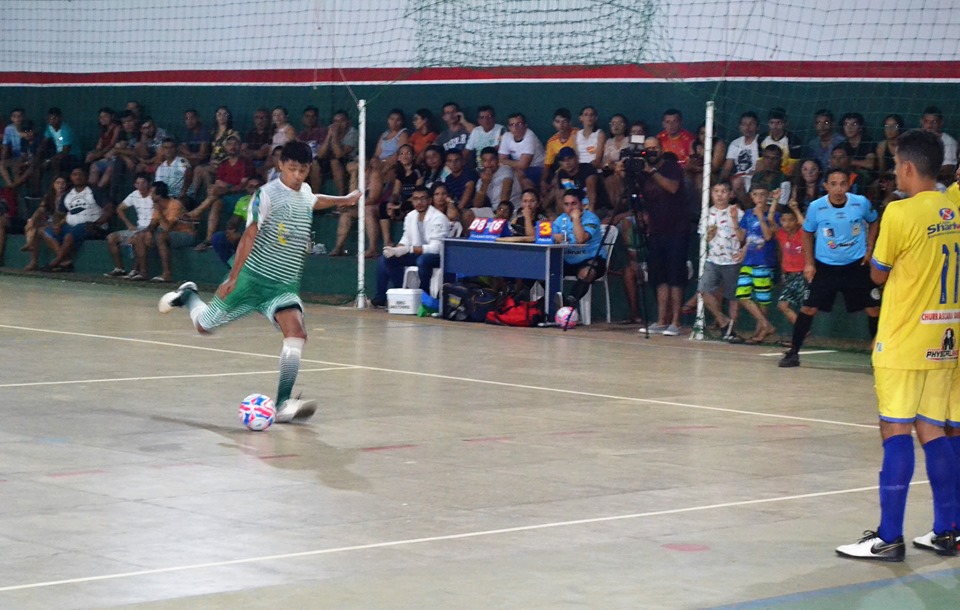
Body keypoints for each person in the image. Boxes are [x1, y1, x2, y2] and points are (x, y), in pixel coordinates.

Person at [158, 141, 361, 423]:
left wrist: (345, 199)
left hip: (282, 286)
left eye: (303, 170)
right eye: (292, 169)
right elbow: (249, 235)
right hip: (250, 279)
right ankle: (189, 295)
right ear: (280, 165)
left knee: (297, 333)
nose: (298, 176)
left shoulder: (304, 191)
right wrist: (233, 276)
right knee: (204, 325)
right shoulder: (266, 195)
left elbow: (314, 200)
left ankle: (282, 404)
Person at [835, 128, 960, 561]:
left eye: (895, 165)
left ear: (907, 167)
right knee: (933, 429)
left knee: (895, 430)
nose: (894, 173)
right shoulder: (952, 207)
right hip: (946, 337)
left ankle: (889, 537)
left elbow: (878, 274)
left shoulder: (900, 213)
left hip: (904, 339)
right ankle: (946, 530)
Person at [778, 168, 880, 367]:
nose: (838, 188)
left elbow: (874, 221)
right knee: (808, 308)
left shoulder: (860, 203)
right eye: (833, 184)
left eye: (843, 183)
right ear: (826, 186)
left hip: (856, 265)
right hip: (825, 266)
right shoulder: (817, 207)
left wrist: (869, 248)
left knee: (873, 309)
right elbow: (807, 233)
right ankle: (794, 352)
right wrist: (809, 263)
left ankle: (879, 353)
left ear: (848, 185)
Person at [621, 136, 688, 336]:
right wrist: (622, 173)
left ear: (660, 149)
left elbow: (673, 188)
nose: (651, 152)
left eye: (654, 148)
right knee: (659, 277)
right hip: (655, 231)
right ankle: (661, 320)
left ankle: (675, 322)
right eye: (647, 149)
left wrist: (651, 171)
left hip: (677, 230)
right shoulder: (640, 172)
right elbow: (632, 194)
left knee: (675, 277)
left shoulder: (671, 167)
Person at [371, 185, 450, 307]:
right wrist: (396, 249)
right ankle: (398, 294)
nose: (419, 202)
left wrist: (407, 249)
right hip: (417, 253)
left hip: (438, 257)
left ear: (429, 200)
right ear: (411, 201)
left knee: (423, 260)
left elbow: (436, 248)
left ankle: (423, 296)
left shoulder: (439, 218)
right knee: (386, 258)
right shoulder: (410, 216)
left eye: (423, 199)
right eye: (416, 199)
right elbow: (406, 238)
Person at [40, 167, 113, 271]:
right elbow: (59, 214)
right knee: (44, 231)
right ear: (71, 177)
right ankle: (65, 261)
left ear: (86, 177)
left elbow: (109, 209)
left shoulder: (94, 190)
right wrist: (57, 225)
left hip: (92, 227)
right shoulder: (68, 194)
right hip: (71, 227)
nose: (78, 177)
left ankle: (55, 262)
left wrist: (97, 223)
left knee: (69, 235)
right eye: (75, 175)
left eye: (80, 174)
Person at [699, 181, 745, 341]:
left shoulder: (737, 212)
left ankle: (731, 330)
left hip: (732, 260)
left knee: (733, 297)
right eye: (716, 191)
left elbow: (743, 238)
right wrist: (710, 235)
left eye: (724, 191)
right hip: (713, 259)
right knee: (704, 290)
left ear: (730, 194)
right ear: (711, 194)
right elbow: (704, 238)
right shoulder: (707, 213)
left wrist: (734, 221)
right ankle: (722, 321)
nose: (720, 195)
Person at [736, 182, 779, 344]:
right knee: (742, 294)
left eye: (763, 194)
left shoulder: (773, 216)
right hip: (748, 260)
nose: (759, 198)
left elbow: (768, 236)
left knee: (762, 298)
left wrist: (761, 217)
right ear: (751, 196)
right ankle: (765, 324)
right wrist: (734, 221)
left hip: (764, 261)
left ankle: (759, 332)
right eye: (756, 194)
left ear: (768, 196)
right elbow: (743, 238)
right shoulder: (747, 214)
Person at [553, 189, 608, 314]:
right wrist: (553, 236)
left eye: (574, 203)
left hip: (591, 259)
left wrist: (576, 218)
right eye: (566, 204)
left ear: (582, 204)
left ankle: (568, 303)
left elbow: (580, 239)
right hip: (568, 259)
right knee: (545, 269)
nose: (570, 208)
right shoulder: (560, 220)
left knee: (586, 273)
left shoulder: (591, 218)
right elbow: (549, 236)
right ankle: (554, 300)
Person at [128, 181, 195, 282]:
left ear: (158, 195)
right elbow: (152, 225)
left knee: (161, 236)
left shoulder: (175, 204)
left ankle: (167, 274)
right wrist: (147, 233)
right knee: (140, 236)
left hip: (186, 234)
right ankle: (142, 272)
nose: (150, 195)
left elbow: (167, 228)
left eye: (152, 192)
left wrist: (159, 212)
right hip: (169, 235)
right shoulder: (157, 205)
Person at [103, 173, 156, 277]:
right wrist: (128, 224)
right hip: (138, 228)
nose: (141, 185)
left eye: (143, 183)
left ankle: (137, 271)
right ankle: (119, 269)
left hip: (151, 228)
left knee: (137, 238)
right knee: (111, 238)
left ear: (149, 183)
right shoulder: (134, 194)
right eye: (138, 183)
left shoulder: (154, 195)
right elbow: (119, 208)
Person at [774, 199, 807, 331]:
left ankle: (801, 332)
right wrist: (775, 200)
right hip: (789, 275)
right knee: (783, 305)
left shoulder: (802, 234)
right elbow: (771, 220)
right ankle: (802, 331)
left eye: (791, 220)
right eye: (784, 220)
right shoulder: (782, 234)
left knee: (801, 306)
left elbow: (805, 225)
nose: (787, 224)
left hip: (802, 274)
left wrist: (796, 209)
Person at [22, 174, 67, 270]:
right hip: (50, 222)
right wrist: (32, 220)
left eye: (63, 183)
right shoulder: (49, 196)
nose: (60, 185)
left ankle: (30, 246)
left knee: (39, 231)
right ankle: (33, 260)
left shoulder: (68, 196)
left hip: (62, 223)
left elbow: (67, 216)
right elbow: (40, 210)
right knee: (31, 225)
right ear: (53, 185)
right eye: (58, 183)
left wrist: (56, 223)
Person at [498, 112, 546, 190]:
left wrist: (511, 164)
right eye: (512, 125)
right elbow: (501, 159)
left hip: (539, 168)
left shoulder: (530, 136)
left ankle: (533, 199)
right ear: (509, 127)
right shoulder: (507, 136)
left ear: (525, 125)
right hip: (519, 168)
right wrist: (517, 166)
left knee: (521, 177)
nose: (515, 127)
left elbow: (524, 165)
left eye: (519, 124)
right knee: (505, 176)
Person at [920, 105, 959, 183]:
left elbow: (949, 168)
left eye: (934, 122)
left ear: (941, 123)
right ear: (921, 122)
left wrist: (925, 174)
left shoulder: (949, 142)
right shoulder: (915, 140)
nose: (929, 126)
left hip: (939, 182)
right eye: (926, 121)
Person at [463, 105, 504, 170]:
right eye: (482, 117)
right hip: (478, 168)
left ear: (494, 118)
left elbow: (497, 150)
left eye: (489, 117)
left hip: (495, 167)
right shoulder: (476, 131)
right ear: (479, 120)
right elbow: (467, 151)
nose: (486, 120)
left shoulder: (501, 130)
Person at [804, 109, 845, 175]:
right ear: (814, 125)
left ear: (833, 124)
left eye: (826, 123)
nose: (822, 126)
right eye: (818, 123)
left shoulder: (841, 141)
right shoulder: (812, 144)